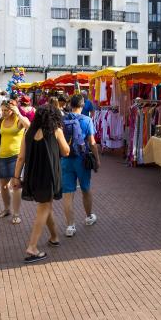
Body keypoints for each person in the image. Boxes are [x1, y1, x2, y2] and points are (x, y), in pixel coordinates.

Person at [12, 106, 69, 263]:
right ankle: (32, 247)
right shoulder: (56, 130)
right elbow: (66, 151)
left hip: (32, 175)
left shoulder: (28, 132)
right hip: (49, 175)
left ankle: (54, 237)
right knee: (44, 207)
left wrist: (16, 177)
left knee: (46, 205)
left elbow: (21, 157)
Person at [61, 93, 100, 237]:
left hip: (65, 158)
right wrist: (97, 159)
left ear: (70, 105)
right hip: (82, 159)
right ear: (83, 105)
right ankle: (89, 217)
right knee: (85, 188)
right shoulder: (87, 120)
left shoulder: (62, 119)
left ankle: (70, 226)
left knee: (67, 194)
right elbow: (92, 142)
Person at [0, 100, 30, 224]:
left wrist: (19, 114)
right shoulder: (2, 120)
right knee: (4, 185)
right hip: (3, 156)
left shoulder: (19, 120)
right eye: (2, 110)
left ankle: (16, 214)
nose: (4, 112)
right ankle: (6, 209)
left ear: (13, 110)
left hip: (16, 156)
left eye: (6, 110)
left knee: (16, 186)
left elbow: (29, 126)